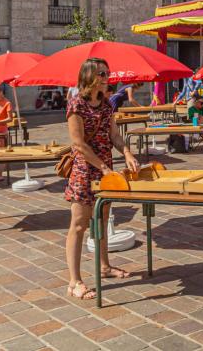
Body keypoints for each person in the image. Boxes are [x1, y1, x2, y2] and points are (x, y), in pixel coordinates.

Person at [64, 58, 140, 300]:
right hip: (86, 171)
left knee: (103, 218)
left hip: (105, 169)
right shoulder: (76, 105)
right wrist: (103, 167)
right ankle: (74, 281)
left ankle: (104, 266)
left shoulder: (107, 105)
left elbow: (115, 135)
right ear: (89, 76)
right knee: (78, 224)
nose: (107, 76)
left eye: (107, 72)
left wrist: (126, 152)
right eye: (102, 72)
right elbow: (78, 144)